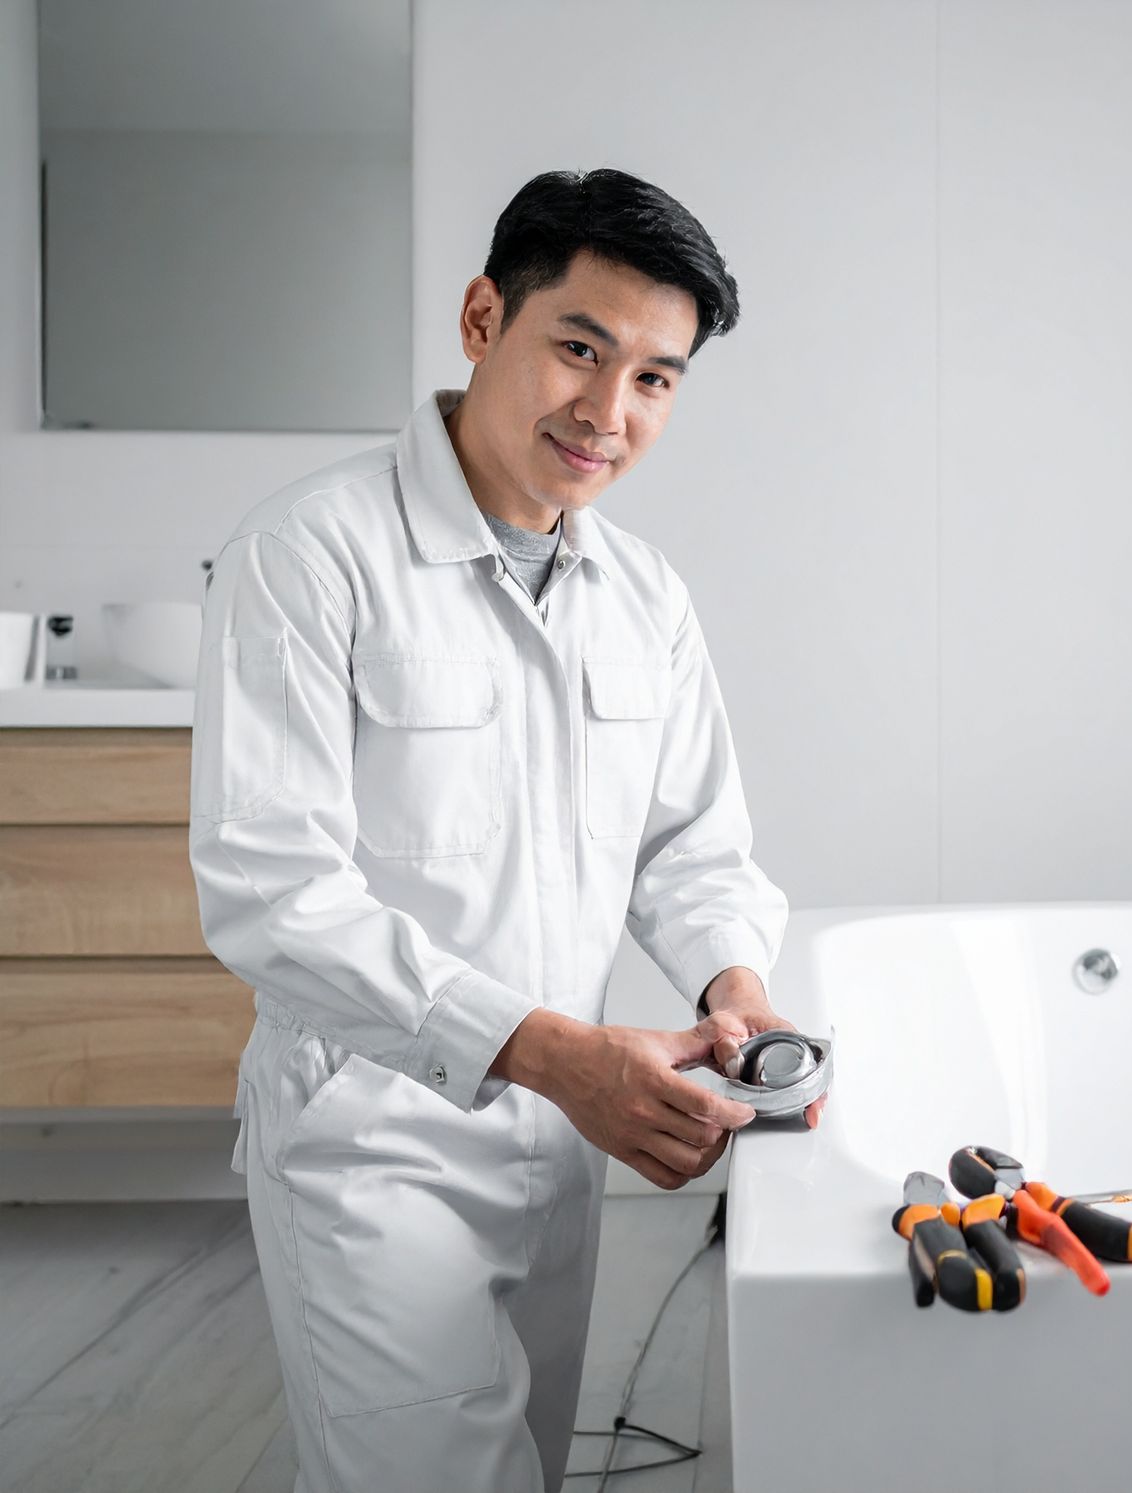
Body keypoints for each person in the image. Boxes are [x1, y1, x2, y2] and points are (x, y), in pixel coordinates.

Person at [188, 167, 820, 1493]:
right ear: (485, 318)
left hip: (559, 1148)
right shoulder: (311, 555)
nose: (610, 411)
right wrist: (550, 1051)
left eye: (656, 378)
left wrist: (737, 997)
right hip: (371, 1148)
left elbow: (691, 846)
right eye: (579, 349)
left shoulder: (644, 597)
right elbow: (275, 893)